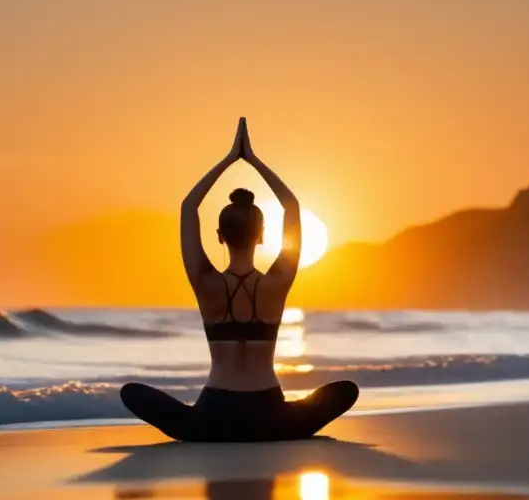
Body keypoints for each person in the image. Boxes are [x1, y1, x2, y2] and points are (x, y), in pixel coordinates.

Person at [120, 118, 358, 442]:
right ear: (262, 236)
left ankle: (199, 429)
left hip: (212, 417)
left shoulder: (206, 283)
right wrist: (253, 160)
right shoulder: (277, 282)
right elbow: (291, 206)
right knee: (346, 391)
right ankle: (285, 425)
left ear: (220, 236)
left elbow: (189, 207)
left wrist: (230, 159)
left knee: (131, 393)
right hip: (272, 417)